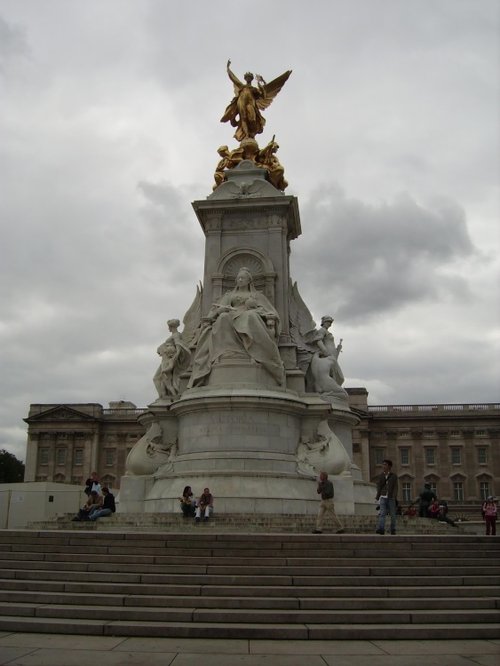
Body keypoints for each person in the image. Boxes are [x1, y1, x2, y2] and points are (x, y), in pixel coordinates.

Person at [188, 267, 285, 388]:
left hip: (249, 315)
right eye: (238, 278)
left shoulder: (256, 295)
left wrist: (255, 309)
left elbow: (269, 311)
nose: (239, 280)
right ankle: (225, 353)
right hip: (231, 316)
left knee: (251, 317)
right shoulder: (230, 295)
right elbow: (217, 309)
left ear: (249, 280)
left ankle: (255, 351)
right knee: (223, 318)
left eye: (242, 278)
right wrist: (221, 310)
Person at [220, 60, 291, 142]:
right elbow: (234, 78)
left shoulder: (254, 89)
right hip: (241, 102)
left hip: (251, 105)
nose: (248, 79)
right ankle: (246, 135)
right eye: (247, 77)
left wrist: (261, 87)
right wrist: (228, 69)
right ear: (245, 79)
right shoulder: (242, 86)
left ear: (251, 79)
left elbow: (263, 96)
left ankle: (252, 133)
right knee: (243, 118)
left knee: (252, 119)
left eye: (249, 77)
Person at [153, 319, 191, 399]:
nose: (168, 329)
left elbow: (179, 346)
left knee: (160, 379)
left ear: (171, 326)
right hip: (166, 358)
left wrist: (175, 357)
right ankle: (164, 396)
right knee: (161, 379)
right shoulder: (175, 335)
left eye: (169, 327)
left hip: (168, 359)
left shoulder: (176, 335)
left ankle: (169, 396)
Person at [375, 459, 398, 535]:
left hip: (391, 497)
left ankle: (393, 529)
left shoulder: (394, 476)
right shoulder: (381, 476)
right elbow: (379, 486)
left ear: (389, 466)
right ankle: (381, 529)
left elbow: (395, 487)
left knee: (393, 514)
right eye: (383, 464)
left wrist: (394, 496)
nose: (383, 466)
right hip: (383, 497)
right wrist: (377, 497)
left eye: (385, 464)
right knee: (382, 513)